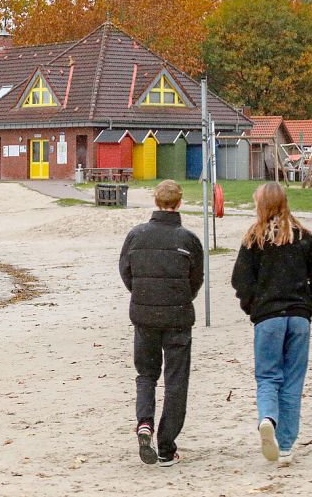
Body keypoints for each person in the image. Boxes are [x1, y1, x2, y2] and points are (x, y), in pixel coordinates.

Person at [231, 182, 312, 466]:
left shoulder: (254, 239)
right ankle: (285, 443)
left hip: (269, 318)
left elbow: (240, 280)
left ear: (260, 205)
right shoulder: (302, 237)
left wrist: (254, 306)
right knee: (292, 381)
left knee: (268, 376)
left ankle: (267, 417)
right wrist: (307, 303)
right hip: (298, 318)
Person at [119, 180, 204, 467]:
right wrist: (181, 296)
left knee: (146, 374)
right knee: (176, 380)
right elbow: (196, 278)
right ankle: (167, 446)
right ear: (178, 203)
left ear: (156, 201)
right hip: (178, 316)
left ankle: (145, 423)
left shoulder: (136, 236)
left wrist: (143, 293)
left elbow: (126, 272)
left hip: (145, 316)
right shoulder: (188, 239)